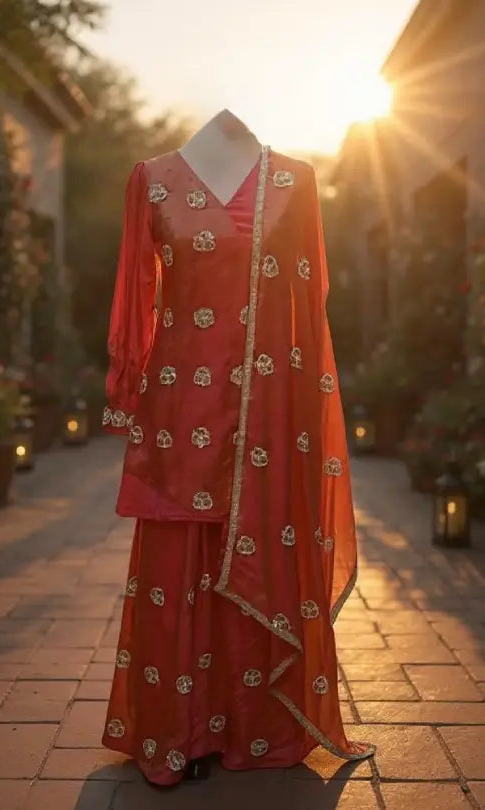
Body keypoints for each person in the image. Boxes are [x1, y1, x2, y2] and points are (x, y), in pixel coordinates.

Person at [100, 110, 375, 786]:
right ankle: (178, 730)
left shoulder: (296, 182)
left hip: (269, 410)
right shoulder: (152, 181)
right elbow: (137, 293)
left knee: (260, 549)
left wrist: (305, 404)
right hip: (180, 405)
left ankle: (259, 725)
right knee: (177, 563)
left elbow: (311, 302)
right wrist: (125, 379)